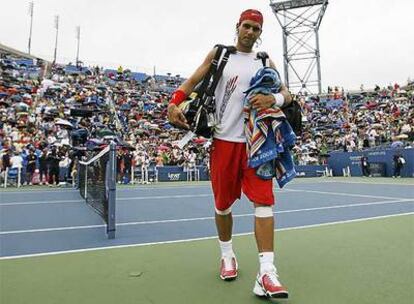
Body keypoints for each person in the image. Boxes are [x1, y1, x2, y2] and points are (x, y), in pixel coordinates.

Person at [168, 9, 291, 299]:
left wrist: (273, 98)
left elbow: (288, 95)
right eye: (246, 26)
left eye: (256, 28)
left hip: (257, 144)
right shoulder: (220, 55)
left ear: (260, 33)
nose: (250, 32)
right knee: (223, 205)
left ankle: (267, 272)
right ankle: (227, 255)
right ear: (237, 27)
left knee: (264, 203)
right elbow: (190, 84)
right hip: (224, 142)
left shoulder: (265, 61)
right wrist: (174, 103)